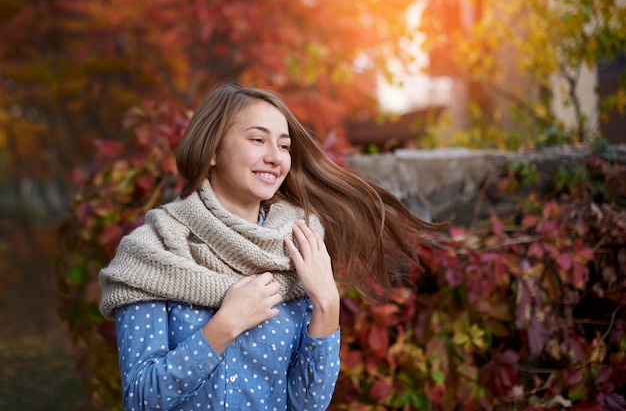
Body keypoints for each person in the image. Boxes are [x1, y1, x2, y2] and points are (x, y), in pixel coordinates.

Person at [99, 84, 443, 411]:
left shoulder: (298, 247)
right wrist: (225, 325)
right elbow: (140, 399)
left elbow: (306, 405)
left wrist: (327, 304)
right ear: (213, 149)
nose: (275, 157)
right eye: (258, 140)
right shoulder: (154, 250)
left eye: (283, 145)